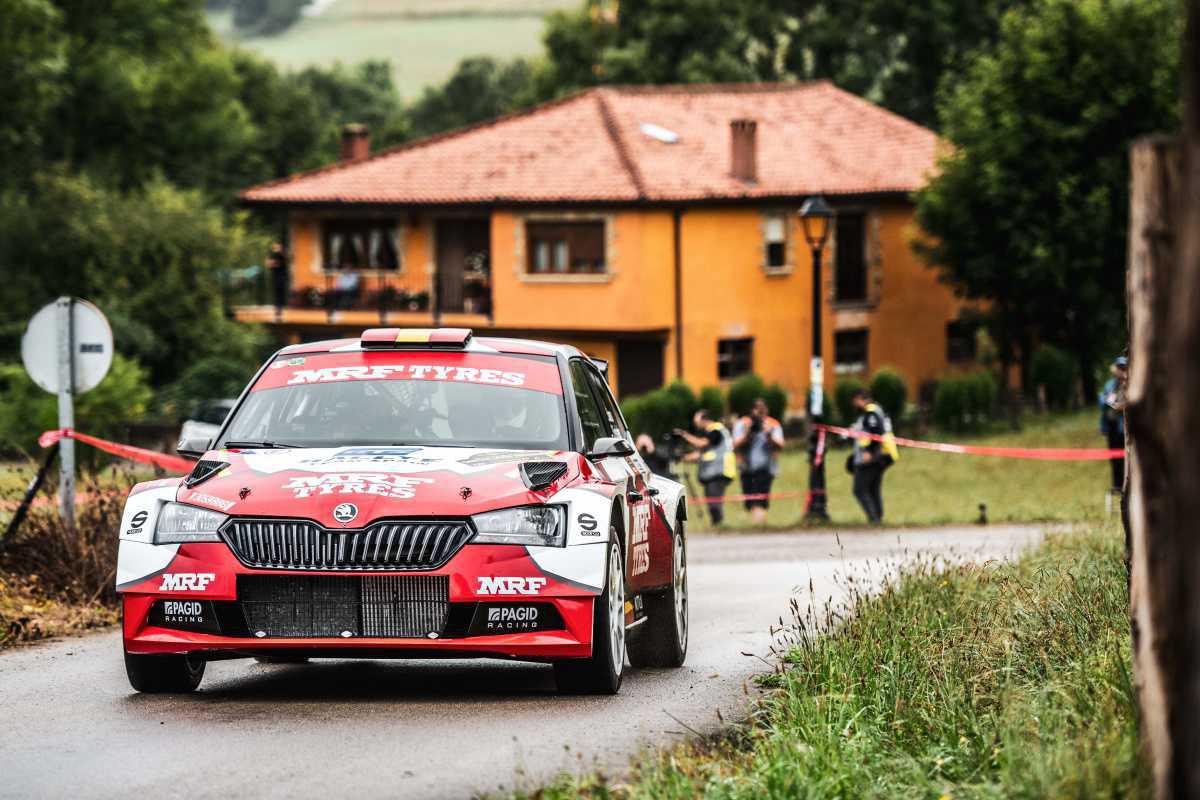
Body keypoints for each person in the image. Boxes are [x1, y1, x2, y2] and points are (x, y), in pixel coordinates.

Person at [674, 410, 736, 526]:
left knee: (714, 501)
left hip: (719, 471)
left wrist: (684, 435)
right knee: (711, 500)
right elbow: (701, 454)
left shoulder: (715, 430)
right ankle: (717, 524)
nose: (696, 425)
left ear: (704, 419)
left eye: (696, 421)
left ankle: (719, 524)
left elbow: (701, 444)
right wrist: (682, 457)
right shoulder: (713, 432)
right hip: (714, 472)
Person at [848, 388, 899, 524]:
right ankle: (877, 518)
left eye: (855, 401)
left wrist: (868, 452)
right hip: (885, 454)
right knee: (873, 488)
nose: (854, 405)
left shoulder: (871, 413)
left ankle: (874, 518)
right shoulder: (877, 410)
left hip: (876, 456)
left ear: (860, 399)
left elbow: (875, 434)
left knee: (860, 489)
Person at [732, 397, 785, 524]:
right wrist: (748, 433)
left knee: (760, 501)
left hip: (765, 468)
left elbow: (781, 444)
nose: (760, 413)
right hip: (746, 468)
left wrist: (769, 434)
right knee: (750, 502)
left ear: (767, 410)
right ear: (752, 410)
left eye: (763, 410)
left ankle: (759, 525)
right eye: (757, 410)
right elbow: (735, 445)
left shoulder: (772, 424)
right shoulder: (743, 423)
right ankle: (759, 525)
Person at [1099, 356, 1128, 493]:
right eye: (1119, 368)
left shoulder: (1129, 384)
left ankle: (1125, 484)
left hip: (1123, 427)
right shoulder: (1110, 384)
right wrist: (1107, 400)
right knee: (1114, 457)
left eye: (1123, 368)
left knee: (1124, 457)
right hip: (1111, 426)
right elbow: (1102, 401)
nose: (1120, 371)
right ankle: (1116, 484)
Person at [265, 242, 289, 318]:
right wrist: (270, 261)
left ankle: (279, 311)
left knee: (279, 295)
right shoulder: (274, 255)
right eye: (275, 247)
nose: (275, 248)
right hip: (275, 277)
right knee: (277, 294)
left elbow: (274, 263)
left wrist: (272, 262)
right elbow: (268, 264)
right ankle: (278, 311)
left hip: (280, 277)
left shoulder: (281, 256)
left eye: (277, 246)